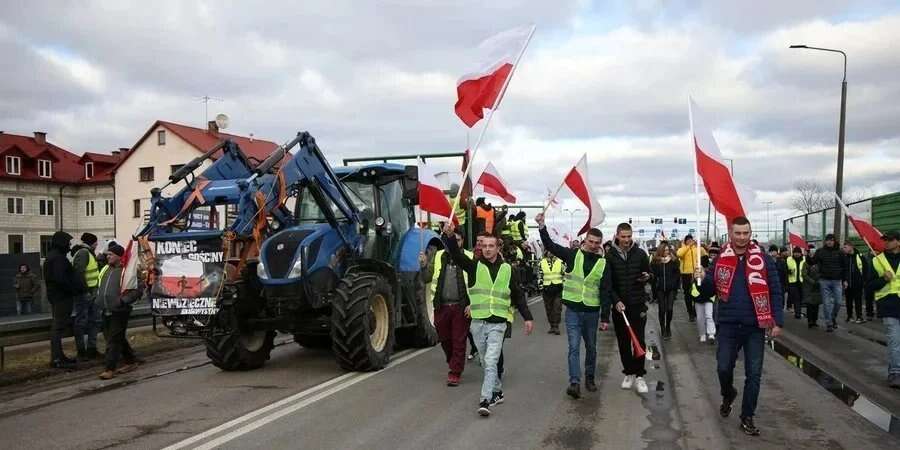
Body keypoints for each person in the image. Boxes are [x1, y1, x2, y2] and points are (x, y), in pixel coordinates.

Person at [696, 216, 783, 436]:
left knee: (754, 374)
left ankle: (747, 416)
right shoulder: (721, 259)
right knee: (723, 367)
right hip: (727, 325)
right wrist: (702, 279)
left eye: (746, 233)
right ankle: (728, 393)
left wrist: (777, 321)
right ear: (731, 233)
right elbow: (708, 292)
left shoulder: (763, 259)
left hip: (755, 326)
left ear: (750, 234)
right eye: (738, 233)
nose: (742, 237)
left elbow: (775, 290)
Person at [442, 226, 534, 417]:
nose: (487, 249)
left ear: (498, 247)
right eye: (484, 245)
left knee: (491, 360)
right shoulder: (474, 266)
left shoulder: (509, 270)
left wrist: (528, 317)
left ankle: (485, 399)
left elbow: (518, 295)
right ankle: (498, 391)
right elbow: (457, 256)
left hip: (498, 323)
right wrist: (450, 237)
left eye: (491, 246)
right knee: (486, 361)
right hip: (477, 323)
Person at [536, 213, 612, 399]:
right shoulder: (572, 255)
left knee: (592, 348)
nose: (593, 245)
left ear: (600, 244)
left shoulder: (603, 264)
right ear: (585, 240)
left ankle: (590, 378)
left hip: (592, 313)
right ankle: (574, 382)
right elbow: (551, 246)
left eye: (597, 242)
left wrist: (604, 317)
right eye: (591, 241)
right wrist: (542, 226)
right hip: (573, 312)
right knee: (574, 347)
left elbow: (606, 291)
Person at [423, 229, 472, 387]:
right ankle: (453, 361)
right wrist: (424, 265)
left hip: (461, 306)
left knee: (459, 340)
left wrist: (472, 304)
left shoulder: (469, 258)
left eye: (457, 240)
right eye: (452, 239)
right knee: (444, 339)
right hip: (441, 306)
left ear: (462, 241)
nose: (454, 242)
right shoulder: (438, 256)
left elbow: (477, 283)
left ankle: (455, 372)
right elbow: (427, 277)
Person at [607, 222, 652, 394]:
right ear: (617, 236)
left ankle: (640, 375)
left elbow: (650, 274)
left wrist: (648, 276)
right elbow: (608, 284)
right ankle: (629, 373)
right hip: (620, 307)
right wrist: (615, 301)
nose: (626, 240)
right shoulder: (610, 256)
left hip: (638, 304)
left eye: (629, 236)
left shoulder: (640, 254)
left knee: (639, 341)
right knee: (623, 342)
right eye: (623, 236)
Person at [97, 242, 143, 379]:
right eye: (107, 255)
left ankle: (110, 368)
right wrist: (97, 299)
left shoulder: (127, 271)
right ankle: (131, 360)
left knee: (113, 340)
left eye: (111, 255)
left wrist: (123, 300)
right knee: (115, 337)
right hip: (105, 309)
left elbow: (138, 289)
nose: (108, 257)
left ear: (118, 256)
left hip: (120, 309)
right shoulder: (106, 268)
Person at [42, 231, 87, 369]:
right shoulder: (58, 259)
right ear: (61, 243)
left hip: (58, 296)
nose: (69, 246)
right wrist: (74, 289)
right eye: (67, 243)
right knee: (58, 327)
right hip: (61, 297)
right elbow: (62, 279)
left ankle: (59, 357)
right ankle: (56, 358)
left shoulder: (54, 257)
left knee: (58, 327)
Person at [868, 230, 900, 388]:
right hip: (888, 304)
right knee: (894, 340)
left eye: (890, 239)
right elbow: (869, 286)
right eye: (885, 239)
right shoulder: (876, 261)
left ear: (898, 242)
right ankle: (895, 373)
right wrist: (883, 279)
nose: (886, 242)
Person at [72, 232, 101, 360]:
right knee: (82, 322)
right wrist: (86, 291)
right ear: (92, 243)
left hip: (92, 292)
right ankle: (82, 351)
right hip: (85, 293)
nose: (97, 245)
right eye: (96, 242)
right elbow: (79, 274)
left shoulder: (88, 253)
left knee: (93, 321)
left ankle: (91, 349)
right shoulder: (83, 253)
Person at [809, 233, 847, 332]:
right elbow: (812, 262)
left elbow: (845, 267)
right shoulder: (820, 252)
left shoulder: (840, 252)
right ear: (825, 241)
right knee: (826, 303)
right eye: (828, 240)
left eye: (831, 240)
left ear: (834, 241)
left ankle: (832, 317)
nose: (829, 242)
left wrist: (845, 280)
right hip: (824, 281)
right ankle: (829, 323)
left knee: (838, 302)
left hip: (837, 281)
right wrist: (808, 255)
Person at [651, 243, 680, 340]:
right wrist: (654, 290)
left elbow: (677, 274)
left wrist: (675, 286)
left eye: (668, 250)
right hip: (660, 289)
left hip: (671, 288)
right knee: (662, 310)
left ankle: (668, 326)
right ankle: (662, 328)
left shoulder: (674, 261)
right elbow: (653, 276)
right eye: (664, 250)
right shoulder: (655, 262)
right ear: (660, 250)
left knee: (670, 309)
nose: (666, 252)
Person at [677, 234, 706, 322]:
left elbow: (705, 253)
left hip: (696, 273)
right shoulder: (682, 248)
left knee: (697, 292)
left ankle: (695, 310)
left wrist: (699, 245)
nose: (690, 241)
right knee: (688, 294)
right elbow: (679, 254)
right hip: (686, 274)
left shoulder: (697, 248)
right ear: (685, 241)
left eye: (691, 240)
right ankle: (690, 313)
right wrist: (688, 246)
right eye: (688, 240)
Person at [539, 251, 565, 335]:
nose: (550, 253)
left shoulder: (560, 262)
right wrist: (540, 287)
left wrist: (564, 285)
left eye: (552, 251)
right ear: (546, 252)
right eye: (549, 251)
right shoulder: (542, 262)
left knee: (557, 308)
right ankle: (552, 326)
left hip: (558, 288)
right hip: (547, 288)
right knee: (549, 308)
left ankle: (556, 326)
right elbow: (540, 275)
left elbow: (565, 274)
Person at [694, 253, 716, 343]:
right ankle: (702, 334)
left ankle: (711, 333)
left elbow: (711, 288)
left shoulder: (709, 277)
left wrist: (703, 279)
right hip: (698, 301)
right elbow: (692, 292)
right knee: (700, 318)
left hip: (708, 299)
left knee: (709, 316)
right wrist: (696, 281)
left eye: (700, 270)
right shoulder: (694, 279)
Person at [843, 242, 867, 324]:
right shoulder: (845, 257)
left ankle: (859, 317)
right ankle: (849, 316)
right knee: (848, 301)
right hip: (847, 284)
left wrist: (863, 281)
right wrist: (844, 281)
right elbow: (843, 270)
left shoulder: (860, 256)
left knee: (858, 300)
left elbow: (865, 269)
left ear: (851, 247)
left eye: (845, 247)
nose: (844, 249)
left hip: (857, 283)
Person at [786, 247, 806, 320]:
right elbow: (785, 269)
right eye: (795, 252)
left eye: (798, 252)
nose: (797, 254)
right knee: (796, 297)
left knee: (800, 298)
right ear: (793, 253)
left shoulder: (804, 259)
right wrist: (789, 271)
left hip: (802, 281)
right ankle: (797, 313)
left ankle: (797, 311)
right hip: (792, 282)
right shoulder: (789, 259)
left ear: (801, 253)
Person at [802, 262, 822, 329]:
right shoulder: (806, 263)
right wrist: (813, 281)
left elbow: (822, 273)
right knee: (810, 304)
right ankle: (810, 321)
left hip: (817, 287)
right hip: (809, 287)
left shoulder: (820, 264)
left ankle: (814, 321)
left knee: (816, 304)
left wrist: (818, 281)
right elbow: (804, 274)